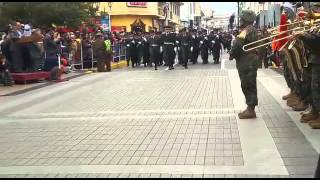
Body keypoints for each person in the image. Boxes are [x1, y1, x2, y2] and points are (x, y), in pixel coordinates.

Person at [229, 10, 259, 119]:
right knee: (248, 84)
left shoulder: (246, 30)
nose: (240, 21)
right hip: (249, 60)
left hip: (247, 61)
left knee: (247, 84)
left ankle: (251, 109)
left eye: (241, 19)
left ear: (245, 20)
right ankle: (250, 108)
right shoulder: (251, 29)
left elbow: (237, 44)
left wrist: (231, 54)